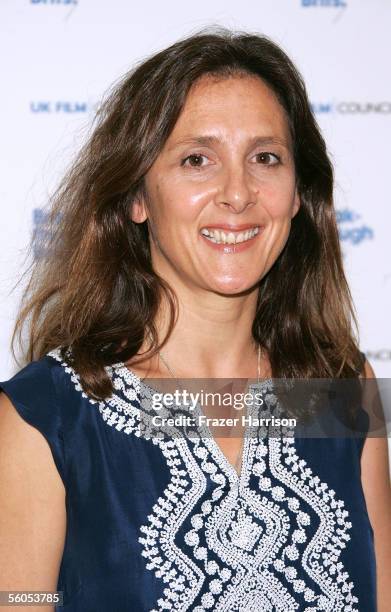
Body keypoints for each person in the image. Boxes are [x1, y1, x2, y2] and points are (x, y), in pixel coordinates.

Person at [0, 27, 390, 612]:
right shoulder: (46, 416)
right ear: (136, 197)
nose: (238, 193)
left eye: (265, 158)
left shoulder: (341, 387)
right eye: (196, 160)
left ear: (297, 193)